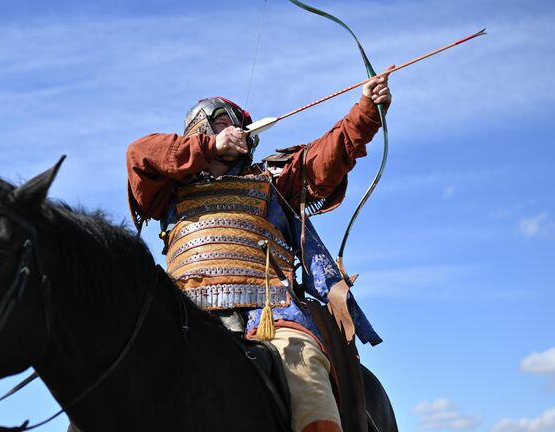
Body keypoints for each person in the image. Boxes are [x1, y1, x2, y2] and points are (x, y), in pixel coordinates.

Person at [126, 71, 392, 432]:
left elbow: (326, 156)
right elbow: (138, 154)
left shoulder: (274, 181)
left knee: (306, 369)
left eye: (230, 126)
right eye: (217, 126)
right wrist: (209, 150)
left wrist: (366, 110)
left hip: (268, 312)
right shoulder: (169, 192)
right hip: (183, 313)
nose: (227, 131)